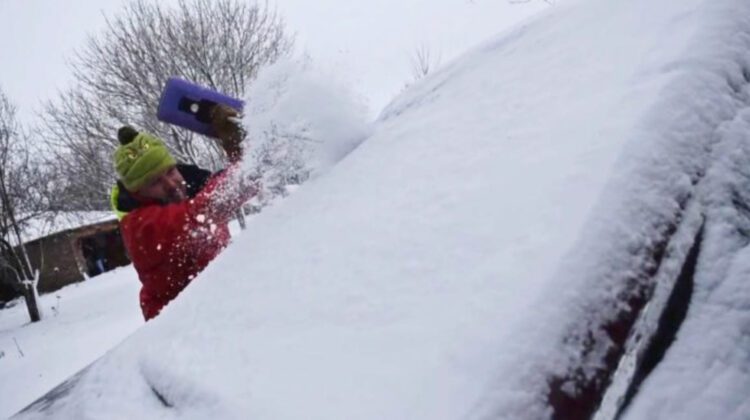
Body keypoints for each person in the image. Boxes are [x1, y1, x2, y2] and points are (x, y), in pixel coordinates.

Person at [110, 106, 257, 320]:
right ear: (138, 192)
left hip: (223, 306)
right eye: (154, 182)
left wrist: (239, 147)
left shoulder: (192, 188)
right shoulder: (139, 226)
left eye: (170, 171)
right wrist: (252, 163)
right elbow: (206, 209)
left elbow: (231, 185)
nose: (171, 184)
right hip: (180, 330)